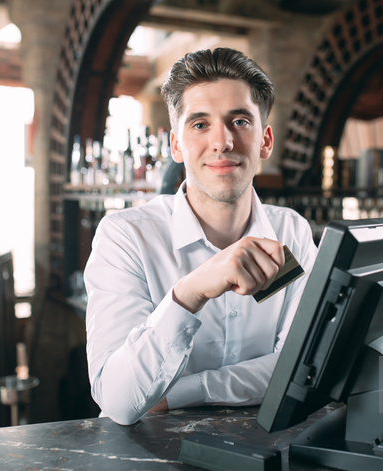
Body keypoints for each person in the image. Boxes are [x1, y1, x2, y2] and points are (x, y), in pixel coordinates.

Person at [84, 47, 318, 426]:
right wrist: (192, 291)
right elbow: (119, 400)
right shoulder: (124, 236)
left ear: (265, 140)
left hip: (265, 447)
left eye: (240, 121)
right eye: (199, 124)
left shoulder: (291, 230)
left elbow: (302, 367)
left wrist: (178, 393)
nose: (222, 141)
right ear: (176, 144)